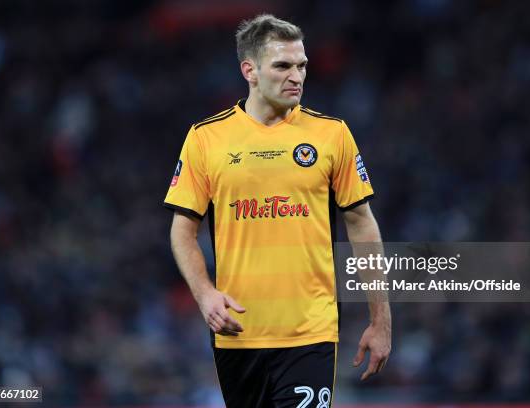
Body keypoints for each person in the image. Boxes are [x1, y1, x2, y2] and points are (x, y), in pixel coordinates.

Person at [164, 14, 391, 408]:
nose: (296, 76)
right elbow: (182, 232)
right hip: (238, 332)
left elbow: (362, 226)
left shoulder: (332, 135)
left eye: (302, 65)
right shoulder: (206, 139)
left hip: (310, 331)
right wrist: (205, 296)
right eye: (283, 66)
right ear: (249, 70)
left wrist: (380, 320)